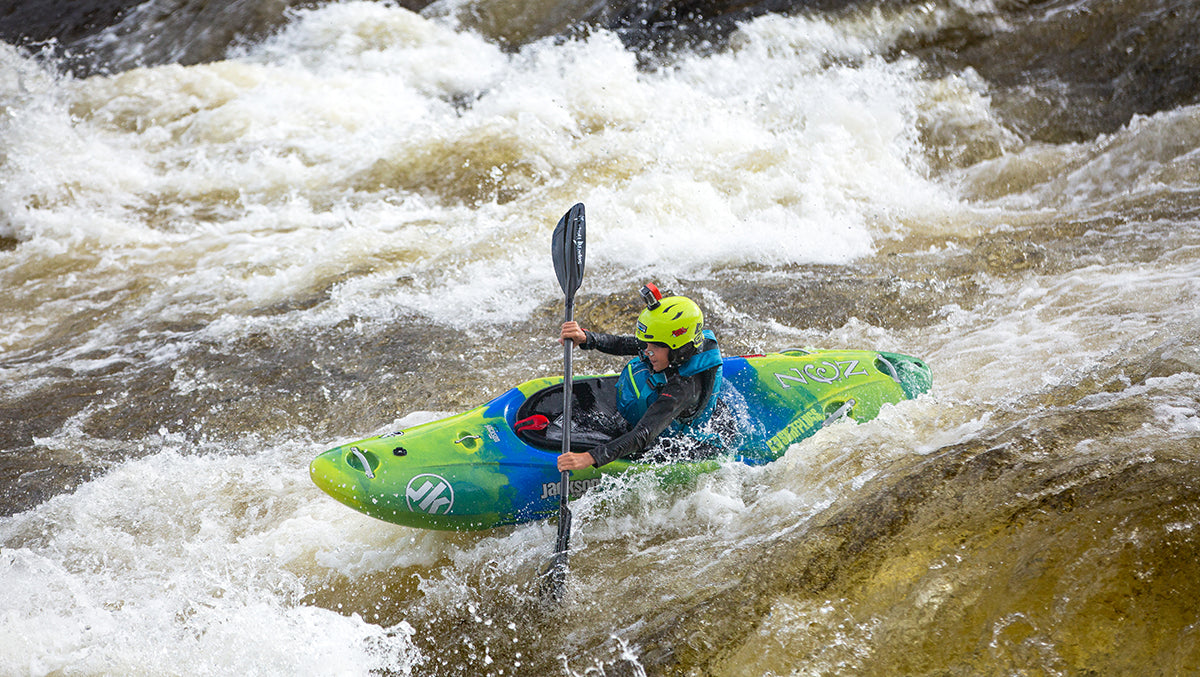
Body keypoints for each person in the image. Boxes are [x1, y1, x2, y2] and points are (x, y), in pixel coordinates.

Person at [556, 284, 726, 471]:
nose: (648, 352)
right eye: (647, 344)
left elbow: (643, 434)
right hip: (655, 414)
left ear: (679, 348)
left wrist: (590, 458)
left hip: (681, 441)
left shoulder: (683, 388)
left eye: (655, 347)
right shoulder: (669, 346)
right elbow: (624, 344)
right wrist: (587, 338)